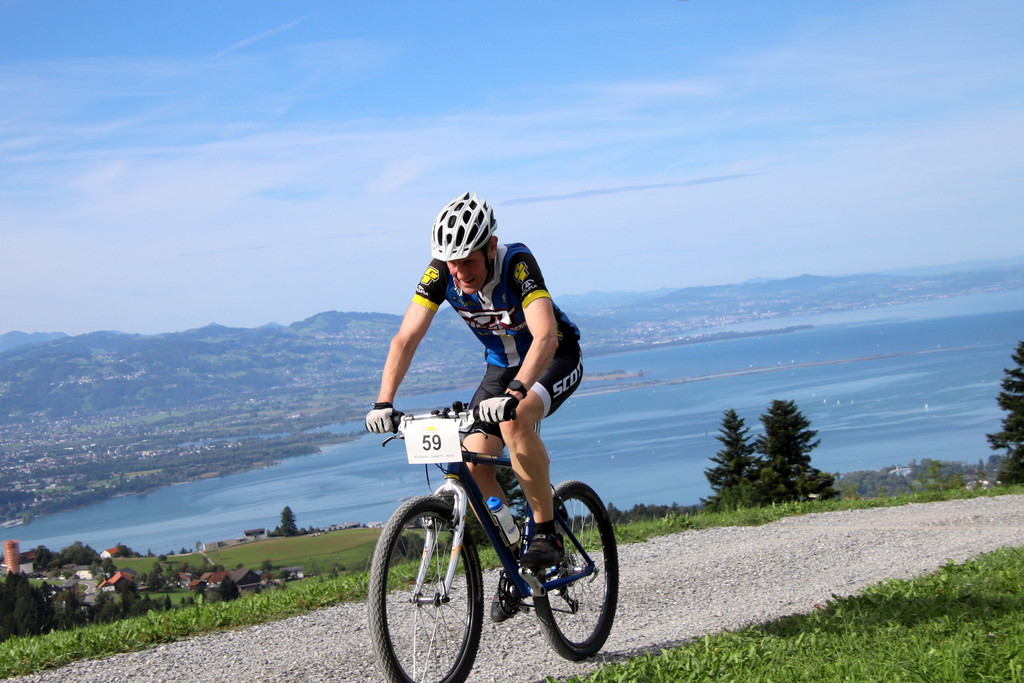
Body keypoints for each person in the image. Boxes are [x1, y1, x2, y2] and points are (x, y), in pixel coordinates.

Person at [365, 191, 584, 607]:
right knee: (473, 464)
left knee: (514, 420)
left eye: (468, 261)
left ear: (490, 247)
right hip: (500, 369)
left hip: (553, 357)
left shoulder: (517, 263)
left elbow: (545, 336)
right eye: (452, 262)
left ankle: (546, 532)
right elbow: (406, 337)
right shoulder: (441, 272)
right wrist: (384, 401)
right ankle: (518, 555)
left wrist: (517, 392)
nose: (459, 271)